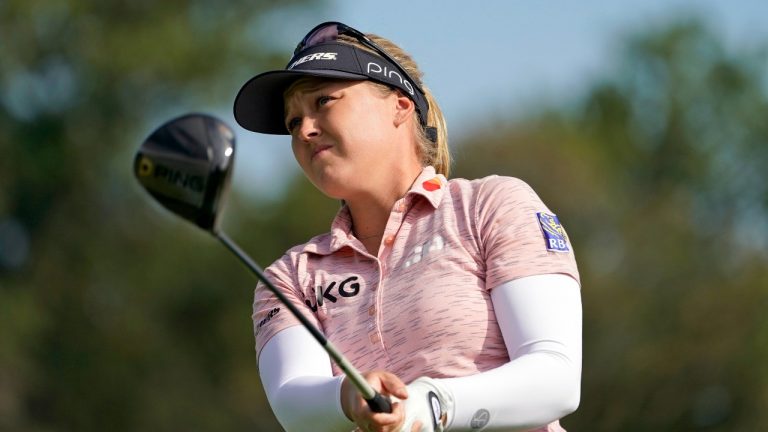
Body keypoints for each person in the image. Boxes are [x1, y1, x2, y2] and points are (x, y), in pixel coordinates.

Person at [234, 21, 582, 432]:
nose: (305, 130)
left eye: (324, 101)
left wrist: (430, 404)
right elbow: (294, 404)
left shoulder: (491, 206)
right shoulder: (291, 275)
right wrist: (349, 395)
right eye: (293, 123)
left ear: (399, 106)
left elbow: (556, 379)